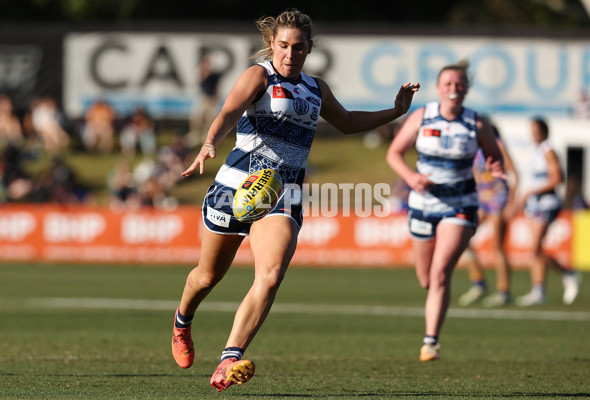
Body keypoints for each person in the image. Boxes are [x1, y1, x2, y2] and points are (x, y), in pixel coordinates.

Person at [171, 9, 419, 392]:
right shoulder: (258, 76)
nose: (290, 54)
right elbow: (228, 112)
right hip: (234, 187)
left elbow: (349, 122)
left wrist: (396, 111)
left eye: (298, 48)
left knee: (270, 276)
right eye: (283, 45)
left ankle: (229, 359)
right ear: (272, 43)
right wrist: (208, 145)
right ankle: (183, 321)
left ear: (309, 49)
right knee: (206, 277)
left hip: (283, 194)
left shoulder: (316, 88)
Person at [386, 60, 505, 362]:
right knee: (426, 279)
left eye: (459, 84)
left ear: (466, 88)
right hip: (423, 205)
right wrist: (412, 178)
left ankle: (431, 342)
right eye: (448, 84)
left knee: (440, 274)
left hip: (461, 205)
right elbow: (394, 153)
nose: (454, 89)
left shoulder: (477, 124)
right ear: (439, 88)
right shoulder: (422, 117)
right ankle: (432, 329)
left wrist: (495, 167)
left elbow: (494, 155)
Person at [515, 118, 581, 307]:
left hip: (547, 203)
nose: (532, 134)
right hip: (536, 204)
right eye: (531, 130)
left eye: (535, 130)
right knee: (535, 250)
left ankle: (568, 273)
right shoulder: (537, 152)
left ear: (544, 132)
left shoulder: (548, 151)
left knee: (535, 248)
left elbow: (557, 178)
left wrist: (531, 192)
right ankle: (539, 290)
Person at [458, 125, 519, 307]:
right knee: (462, 238)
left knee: (497, 247)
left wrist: (511, 201)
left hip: (498, 199)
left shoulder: (497, 145)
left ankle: (504, 291)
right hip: (482, 200)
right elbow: (476, 174)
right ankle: (479, 283)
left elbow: (513, 173)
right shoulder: (476, 149)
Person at [185, 51, 223, 148]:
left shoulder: (215, 75)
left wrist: (216, 98)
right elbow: (201, 79)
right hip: (203, 97)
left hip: (211, 99)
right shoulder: (201, 71)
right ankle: (195, 135)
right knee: (197, 117)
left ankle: (206, 137)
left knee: (210, 119)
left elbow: (216, 87)